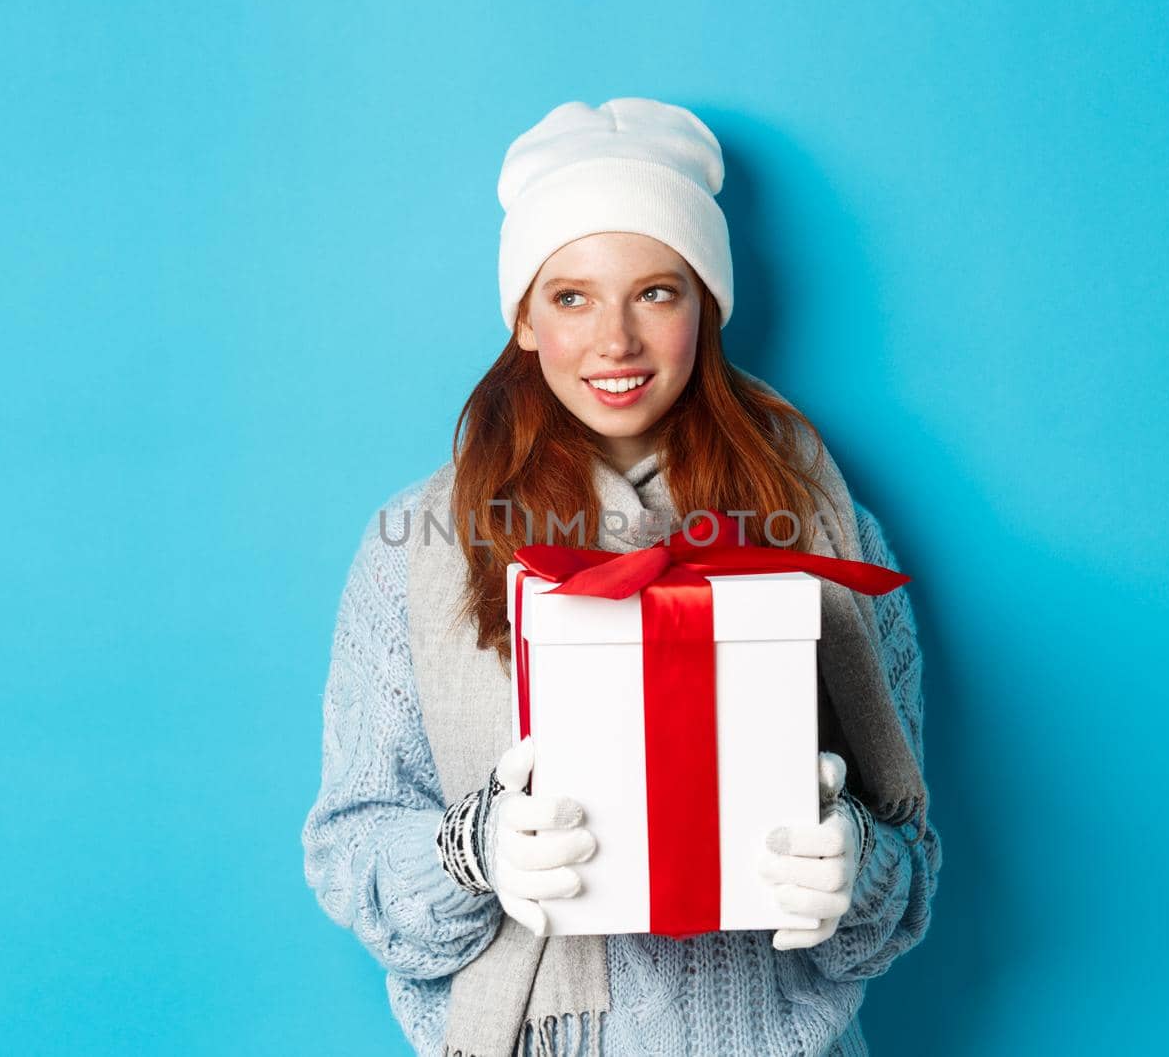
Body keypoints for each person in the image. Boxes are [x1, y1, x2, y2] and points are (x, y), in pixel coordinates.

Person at [302, 97, 942, 1057]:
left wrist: (853, 863)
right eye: (571, 296)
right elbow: (350, 844)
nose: (616, 341)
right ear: (522, 316)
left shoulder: (824, 529)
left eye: (656, 292)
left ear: (705, 308)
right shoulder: (417, 546)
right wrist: (472, 851)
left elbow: (909, 863)